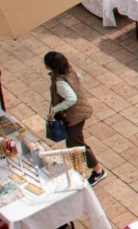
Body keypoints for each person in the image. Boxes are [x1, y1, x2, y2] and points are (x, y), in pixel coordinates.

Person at [44, 52, 105, 185]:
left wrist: (55, 109)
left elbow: (72, 99)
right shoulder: (69, 71)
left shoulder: (59, 82)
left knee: (78, 145)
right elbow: (79, 78)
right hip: (77, 113)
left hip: (74, 116)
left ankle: (98, 171)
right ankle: (79, 169)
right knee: (72, 144)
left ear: (50, 66)